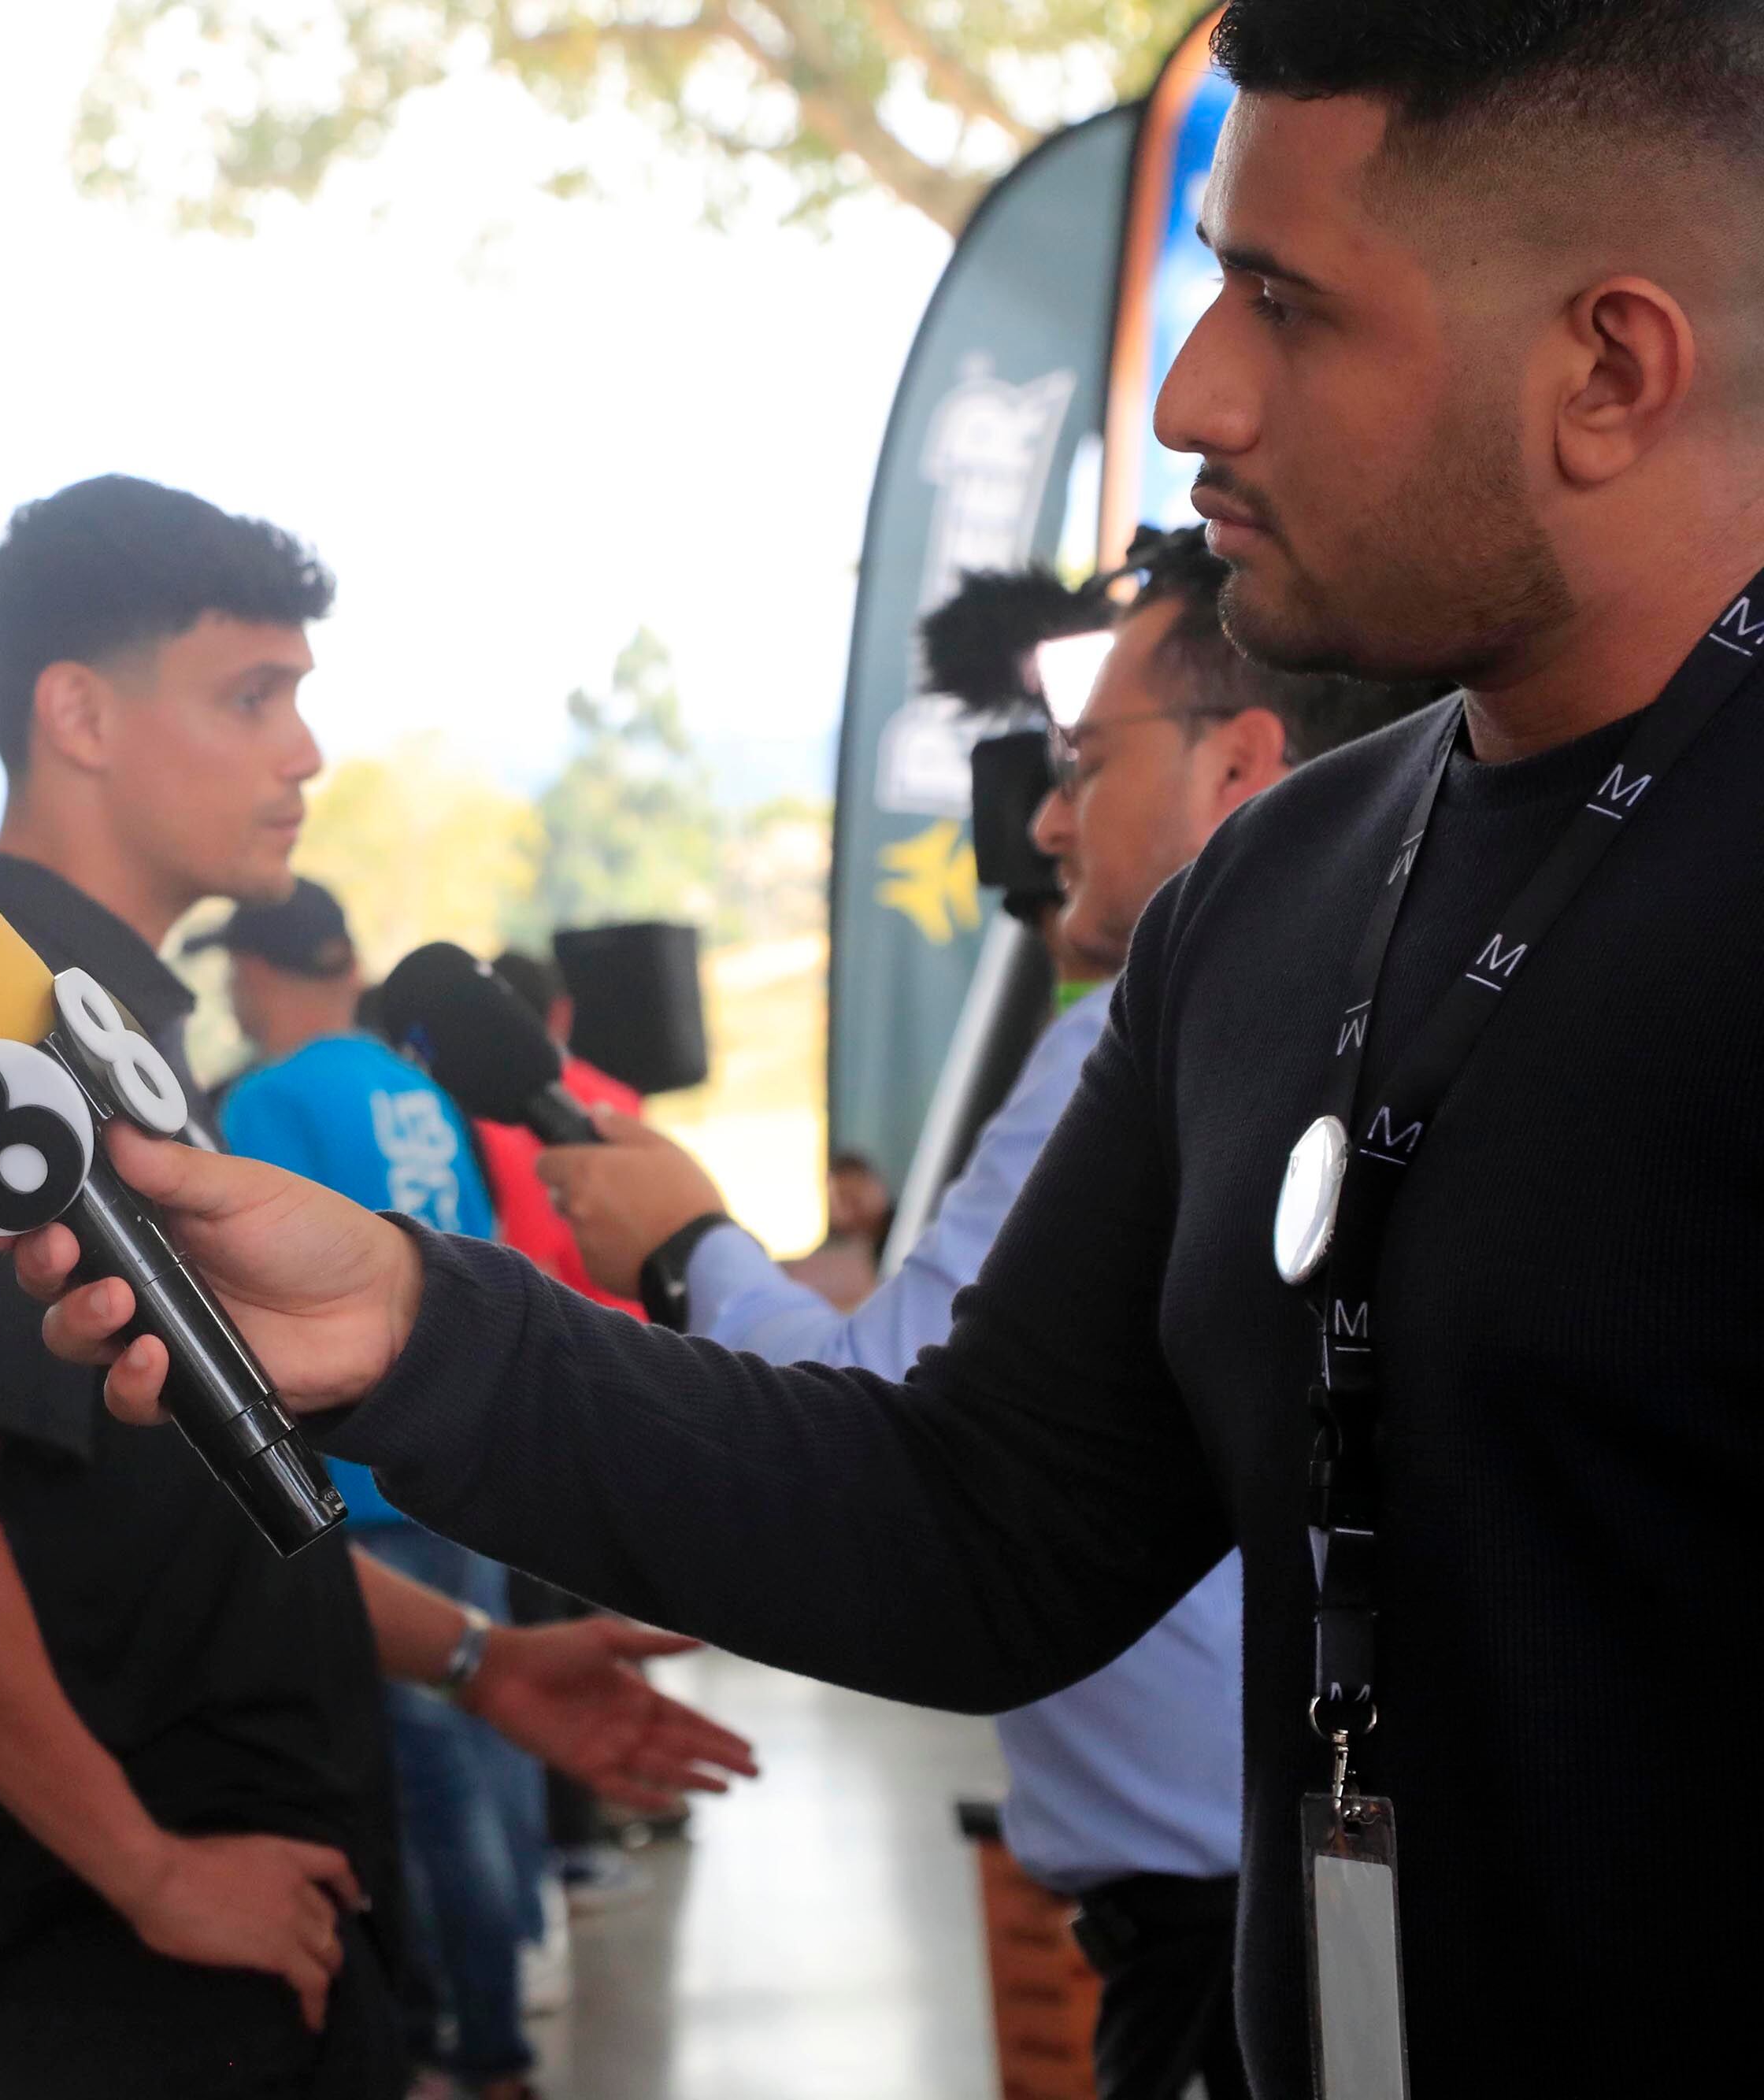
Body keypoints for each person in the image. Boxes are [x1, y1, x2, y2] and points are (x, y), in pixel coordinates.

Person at [5, 5, 1764, 2085]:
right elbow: (978, 1519)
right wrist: (415, 1323)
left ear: (1606, 370)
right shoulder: (1270, 899)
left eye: (1287, 305)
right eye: (1212, 287)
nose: (1196, 393)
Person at [0, 475, 752, 2100]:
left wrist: (476, 1659)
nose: (302, 752)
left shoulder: (106, 1016)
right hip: (146, 1979)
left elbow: (178, 1510)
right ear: (78, 715)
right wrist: (146, 1867)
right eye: (251, 696)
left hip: (252, 1923)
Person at [542, 528, 1429, 2100]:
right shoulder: (1363, 1004)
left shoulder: (1140, 1039)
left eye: (1084, 762)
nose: (1042, 819)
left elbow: (899, 1433)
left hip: (1224, 1909)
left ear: (1237, 765)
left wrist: (683, 1243)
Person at [204, 880, 549, 2100]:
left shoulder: (268, 1099)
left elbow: (253, 1296)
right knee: (498, 1729)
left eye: (234, 969)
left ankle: (480, 2042)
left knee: (433, 1775)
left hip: (367, 1477)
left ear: (258, 969)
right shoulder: (419, 1088)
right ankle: (517, 1970)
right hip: (473, 1462)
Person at [469, 954, 639, 1315]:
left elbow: (536, 1272)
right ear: (562, 1012)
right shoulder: (622, 1100)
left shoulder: (489, 1122)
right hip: (644, 1328)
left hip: (574, 1334)